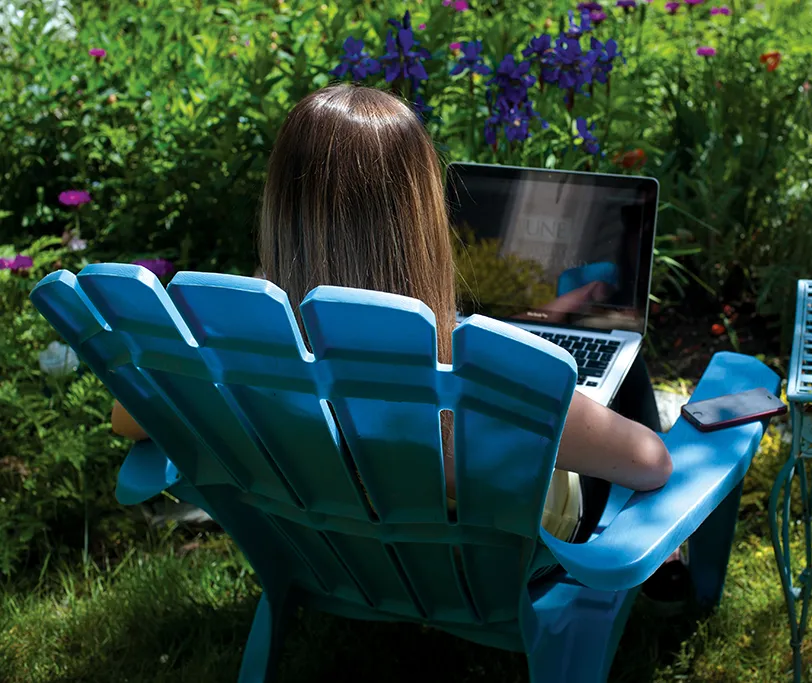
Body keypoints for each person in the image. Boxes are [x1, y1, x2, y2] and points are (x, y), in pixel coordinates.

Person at [111, 84, 685, 596]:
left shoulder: (243, 346)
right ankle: (672, 566)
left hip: (335, 549)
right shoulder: (482, 380)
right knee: (622, 371)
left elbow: (126, 416)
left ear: (279, 205)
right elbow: (651, 464)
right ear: (421, 220)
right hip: (493, 562)